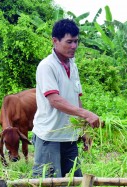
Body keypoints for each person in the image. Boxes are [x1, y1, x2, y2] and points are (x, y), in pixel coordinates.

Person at [32, 18, 102, 178]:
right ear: (55, 41)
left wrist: (83, 128)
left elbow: (76, 97)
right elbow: (54, 100)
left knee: (73, 184)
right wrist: (86, 114)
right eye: (69, 42)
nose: (74, 46)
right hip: (49, 136)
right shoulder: (46, 66)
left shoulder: (73, 65)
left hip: (69, 136)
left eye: (76, 41)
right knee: (47, 186)